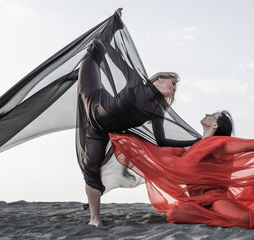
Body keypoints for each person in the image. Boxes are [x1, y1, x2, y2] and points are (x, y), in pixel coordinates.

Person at [77, 8, 197, 227]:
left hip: (99, 130)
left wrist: (194, 142)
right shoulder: (137, 83)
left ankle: (95, 218)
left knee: (91, 169)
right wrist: (114, 26)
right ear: (160, 79)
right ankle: (100, 35)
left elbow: (161, 141)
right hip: (94, 101)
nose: (175, 88)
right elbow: (118, 57)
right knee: (89, 60)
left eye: (176, 87)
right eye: (173, 83)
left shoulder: (158, 110)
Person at [109, 111, 254, 228]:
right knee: (174, 213)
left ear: (216, 126)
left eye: (213, 115)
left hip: (216, 198)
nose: (207, 114)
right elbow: (158, 153)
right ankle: (211, 216)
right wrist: (126, 137)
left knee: (244, 219)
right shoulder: (192, 146)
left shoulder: (219, 144)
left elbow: (246, 145)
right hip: (196, 201)